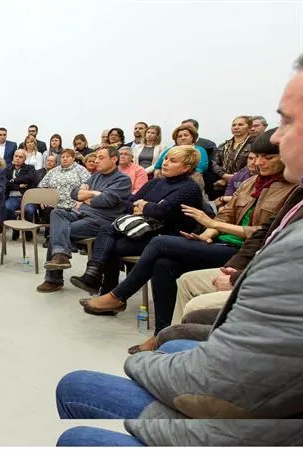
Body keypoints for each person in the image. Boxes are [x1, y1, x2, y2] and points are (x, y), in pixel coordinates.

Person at [55, 56, 303, 446]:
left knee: (153, 245)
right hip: (216, 248)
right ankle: (131, 309)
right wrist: (210, 230)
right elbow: (144, 202)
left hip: (245, 419)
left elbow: (163, 211)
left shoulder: (192, 187)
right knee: (144, 252)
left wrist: (142, 365)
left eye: (286, 122)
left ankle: (119, 299)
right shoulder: (276, 192)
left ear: (188, 163)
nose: (272, 139)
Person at [83, 128, 297, 353]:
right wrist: (205, 234)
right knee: (162, 264)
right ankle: (161, 336)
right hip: (217, 242)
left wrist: (213, 225)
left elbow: (265, 233)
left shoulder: (292, 190)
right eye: (256, 157)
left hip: (240, 250)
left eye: (268, 157)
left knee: (159, 243)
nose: (259, 163)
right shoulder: (251, 183)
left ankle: (118, 295)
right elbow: (225, 214)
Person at [71, 145, 203, 296]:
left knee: (111, 245)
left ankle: (105, 290)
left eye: (173, 161)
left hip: (165, 236)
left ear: (186, 167)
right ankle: (96, 278)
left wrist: (145, 206)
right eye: (166, 158)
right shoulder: (156, 182)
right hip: (141, 229)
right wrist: (148, 207)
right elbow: (128, 203)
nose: (166, 163)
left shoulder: (189, 188)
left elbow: (161, 212)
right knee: (107, 229)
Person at [38, 147, 132, 293]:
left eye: (101, 158)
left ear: (114, 160)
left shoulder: (123, 180)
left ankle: (53, 277)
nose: (96, 160)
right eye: (96, 157)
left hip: (100, 220)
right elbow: (74, 193)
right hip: (81, 213)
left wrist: (87, 196)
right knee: (57, 213)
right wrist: (94, 194)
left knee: (58, 232)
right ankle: (60, 256)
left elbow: (106, 201)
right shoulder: (96, 176)